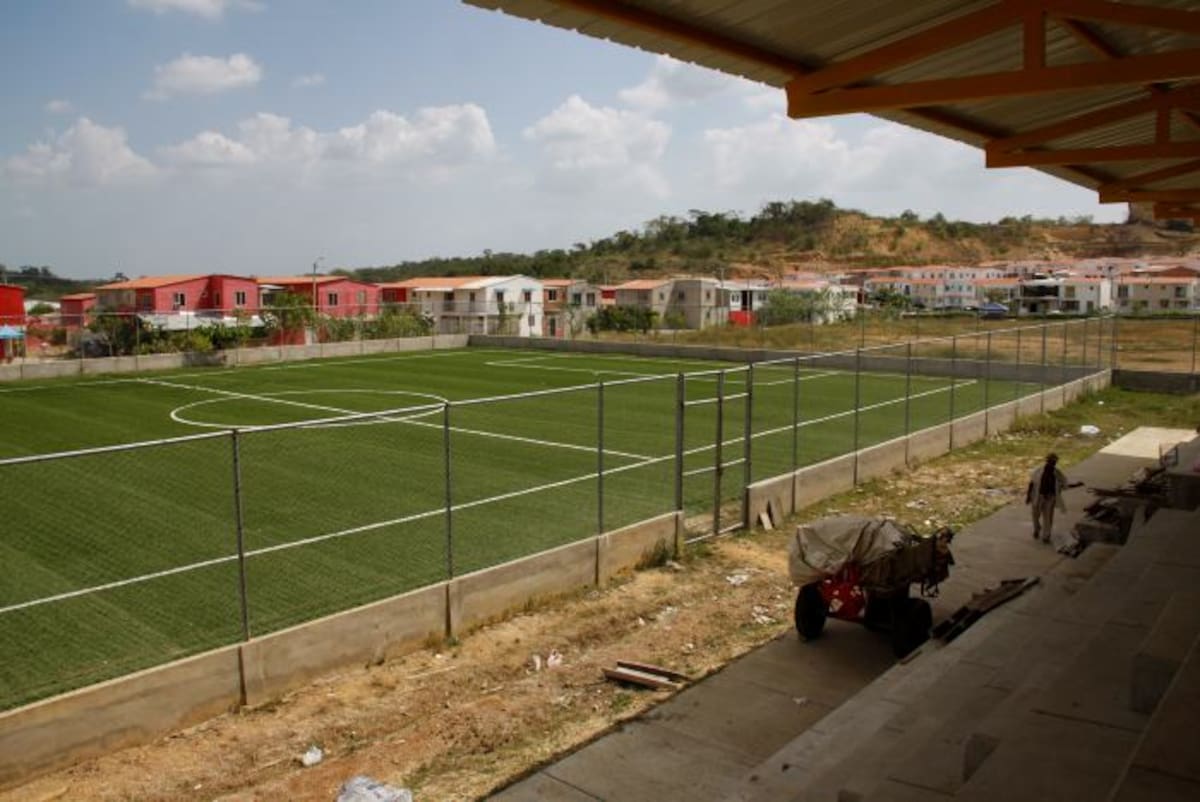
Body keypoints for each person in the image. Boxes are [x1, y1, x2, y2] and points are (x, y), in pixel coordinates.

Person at [1026, 453, 1067, 543]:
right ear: (1047, 461)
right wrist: (1028, 496)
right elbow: (1031, 483)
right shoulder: (1038, 471)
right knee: (1035, 515)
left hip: (1050, 498)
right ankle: (1037, 528)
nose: (1052, 464)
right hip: (1038, 496)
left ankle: (1046, 536)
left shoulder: (1057, 473)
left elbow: (1065, 483)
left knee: (1048, 517)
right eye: (1051, 461)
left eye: (1054, 462)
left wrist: (1076, 484)